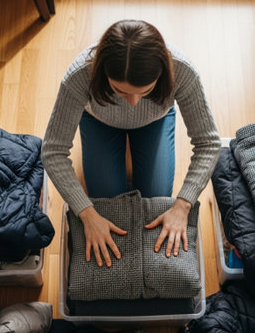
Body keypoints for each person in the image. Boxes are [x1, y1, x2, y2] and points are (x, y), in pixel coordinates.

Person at [42, 19, 221, 267]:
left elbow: (209, 143)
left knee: (158, 200)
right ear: (102, 73)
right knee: (106, 205)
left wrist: (183, 205)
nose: (134, 102)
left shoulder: (182, 69)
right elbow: (52, 151)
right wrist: (87, 213)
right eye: (120, 91)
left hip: (156, 121)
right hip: (98, 120)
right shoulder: (79, 75)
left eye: (145, 91)